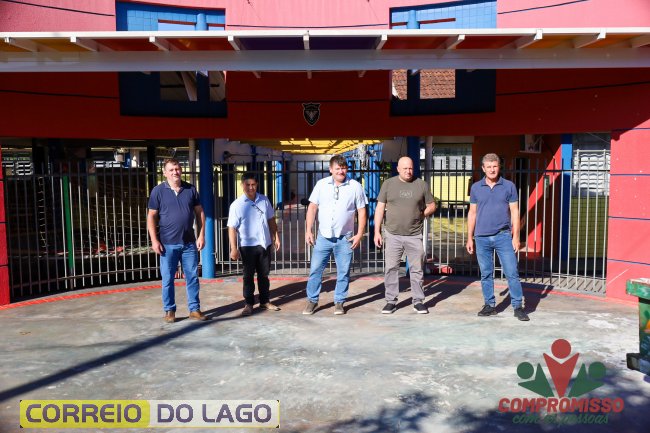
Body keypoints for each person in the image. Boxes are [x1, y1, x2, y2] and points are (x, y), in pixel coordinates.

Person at [466, 153, 530, 321]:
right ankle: (489, 305)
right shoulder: (476, 188)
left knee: (512, 272)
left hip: (503, 236)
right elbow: (472, 213)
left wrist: (516, 237)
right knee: (486, 273)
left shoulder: (509, 186)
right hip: (481, 237)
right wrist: (469, 237)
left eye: (495, 166)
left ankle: (518, 307)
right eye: (489, 167)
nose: (492, 169)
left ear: (499, 167)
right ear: (483, 168)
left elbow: (515, 212)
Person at [303, 155, 368, 315]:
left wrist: (359, 233)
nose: (341, 171)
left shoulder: (355, 186)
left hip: (345, 238)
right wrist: (308, 230)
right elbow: (312, 207)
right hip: (323, 237)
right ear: (331, 169)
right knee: (315, 271)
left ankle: (339, 302)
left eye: (343, 168)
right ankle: (312, 300)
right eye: (337, 168)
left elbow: (361, 210)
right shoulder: (321, 184)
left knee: (343, 272)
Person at [374, 156, 437, 314]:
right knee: (391, 268)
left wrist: (422, 214)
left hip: (414, 235)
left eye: (410, 168)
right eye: (405, 169)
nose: (408, 171)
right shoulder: (388, 184)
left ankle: (418, 301)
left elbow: (432, 205)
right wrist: (376, 232)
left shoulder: (421, 185)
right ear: (398, 169)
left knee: (417, 269)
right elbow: (380, 208)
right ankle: (390, 301)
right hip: (392, 234)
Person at [147, 158, 207, 323]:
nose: (175, 172)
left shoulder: (190, 189)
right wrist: (154, 240)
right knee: (168, 279)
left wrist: (201, 235)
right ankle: (169, 311)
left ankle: (194, 309)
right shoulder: (158, 191)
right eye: (171, 170)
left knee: (192, 277)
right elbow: (151, 216)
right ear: (165, 173)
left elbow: (200, 213)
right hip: (167, 244)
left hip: (189, 243)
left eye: (177, 169)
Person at [227, 172, 281, 317]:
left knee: (264, 275)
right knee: (248, 276)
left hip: (264, 244)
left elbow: (271, 220)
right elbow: (232, 228)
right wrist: (233, 248)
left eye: (253, 184)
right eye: (248, 185)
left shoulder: (264, 200)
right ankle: (249, 304)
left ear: (257, 185)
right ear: (242, 185)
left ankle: (265, 301)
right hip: (247, 246)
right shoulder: (237, 205)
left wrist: (276, 237)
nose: (251, 187)